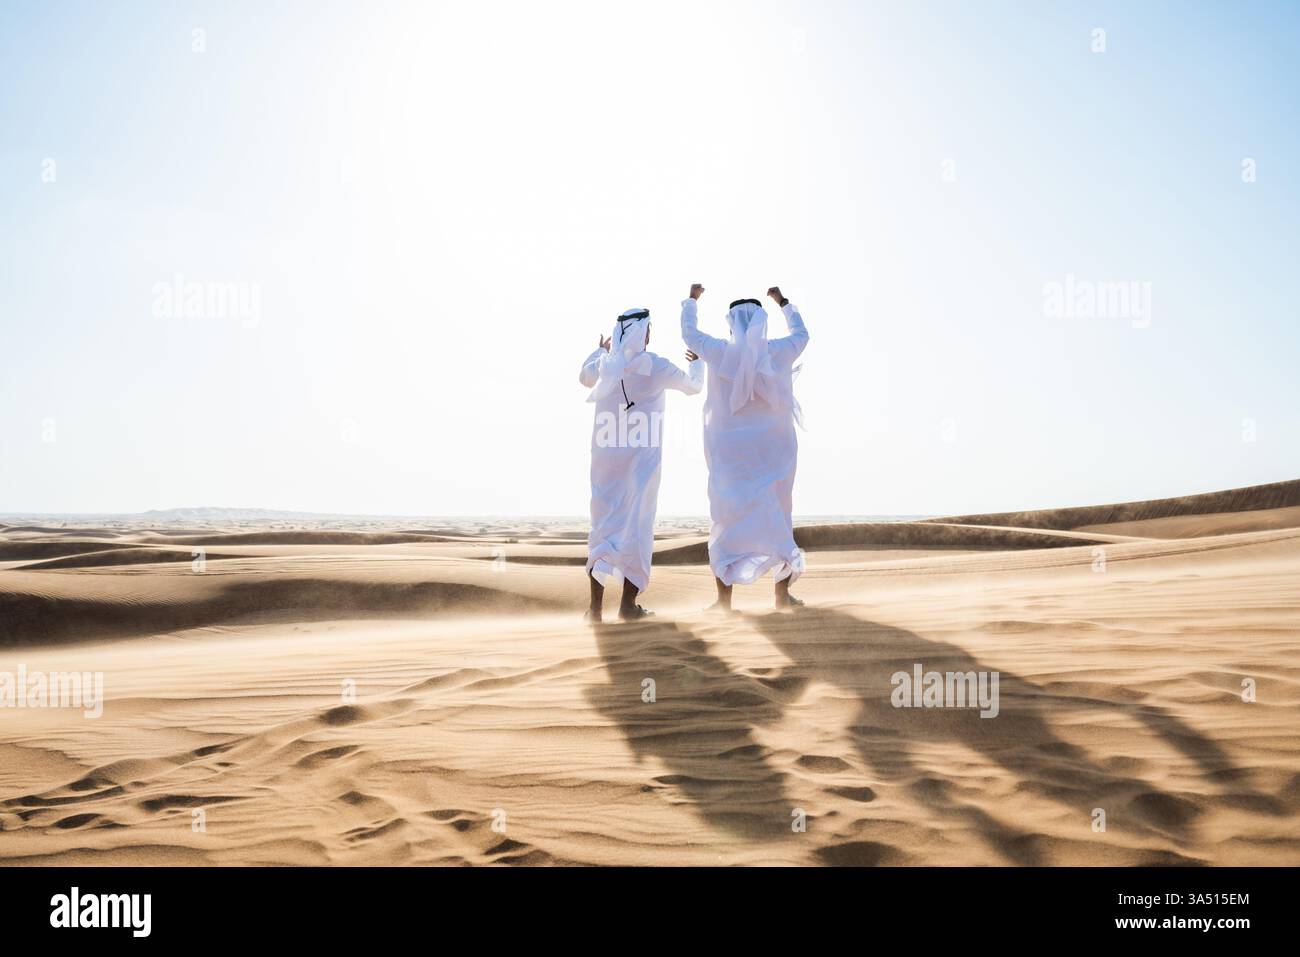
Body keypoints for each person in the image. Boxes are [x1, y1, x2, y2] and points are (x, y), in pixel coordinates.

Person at [680, 283, 809, 610]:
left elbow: (689, 333)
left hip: (731, 458)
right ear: (762, 322)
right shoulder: (778, 350)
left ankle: (724, 601)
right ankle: (781, 597)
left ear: (731, 323)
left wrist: (692, 300)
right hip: (774, 454)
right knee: (779, 516)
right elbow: (802, 334)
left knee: (726, 518)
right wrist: (784, 303)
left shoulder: (719, 351)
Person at [579, 307, 704, 621]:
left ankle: (595, 610)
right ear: (641, 333)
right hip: (641, 467)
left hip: (605, 462)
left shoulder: (604, 366)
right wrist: (699, 364)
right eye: (648, 330)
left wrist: (599, 349)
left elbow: (584, 377)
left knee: (603, 530)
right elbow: (693, 386)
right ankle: (627, 607)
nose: (650, 335)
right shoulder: (655, 366)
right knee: (637, 529)